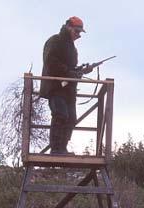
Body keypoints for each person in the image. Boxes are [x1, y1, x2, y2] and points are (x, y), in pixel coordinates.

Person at [39, 16, 93, 155]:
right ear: (68, 27)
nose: (78, 34)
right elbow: (51, 62)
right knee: (60, 114)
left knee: (71, 118)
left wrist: (80, 71)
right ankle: (56, 149)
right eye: (76, 31)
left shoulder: (72, 49)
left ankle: (62, 148)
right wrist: (69, 72)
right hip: (56, 87)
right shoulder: (54, 41)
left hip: (68, 89)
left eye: (80, 32)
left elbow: (70, 69)